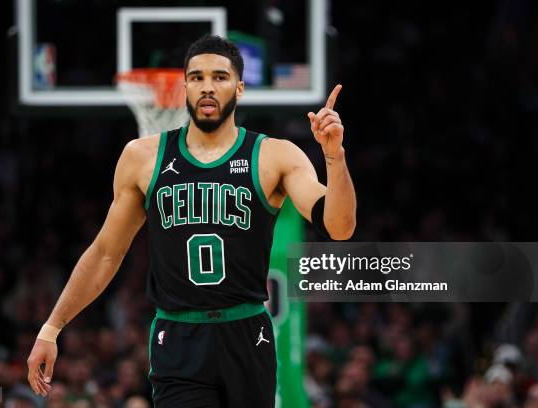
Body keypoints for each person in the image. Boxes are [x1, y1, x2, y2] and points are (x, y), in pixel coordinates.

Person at [26, 35, 356, 407]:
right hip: (178, 335)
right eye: (197, 77)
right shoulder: (142, 157)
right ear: (184, 86)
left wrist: (335, 156)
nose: (207, 87)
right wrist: (51, 328)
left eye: (219, 76)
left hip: (247, 331)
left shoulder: (275, 155)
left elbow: (339, 227)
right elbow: (105, 253)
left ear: (240, 87)